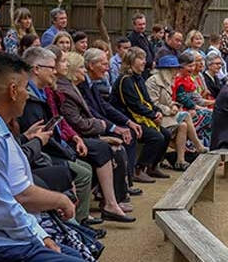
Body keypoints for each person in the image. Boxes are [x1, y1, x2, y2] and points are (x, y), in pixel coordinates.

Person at [0, 51, 86, 262]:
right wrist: (42, 238)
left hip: (8, 239)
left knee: (78, 253)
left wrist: (41, 236)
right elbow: (3, 208)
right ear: (13, 91)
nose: (27, 95)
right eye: (25, 88)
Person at [50, 49, 135, 223]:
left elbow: (97, 110)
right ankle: (108, 204)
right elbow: (74, 122)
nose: (84, 71)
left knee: (116, 147)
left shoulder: (74, 87)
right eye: (81, 67)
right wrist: (102, 126)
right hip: (71, 139)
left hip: (78, 136)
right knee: (104, 150)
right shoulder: (65, 90)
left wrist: (116, 125)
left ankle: (114, 200)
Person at [17, 47, 95, 226]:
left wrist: (73, 140)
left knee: (84, 165)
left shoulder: (44, 92)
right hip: (40, 157)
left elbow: (58, 123)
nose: (55, 72)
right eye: (51, 68)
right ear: (36, 69)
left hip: (48, 150)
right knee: (79, 173)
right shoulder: (28, 99)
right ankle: (76, 224)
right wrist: (66, 153)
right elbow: (40, 139)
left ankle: (78, 222)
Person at [79, 48, 147, 189]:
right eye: (104, 64)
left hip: (100, 124)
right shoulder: (81, 85)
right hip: (90, 128)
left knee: (130, 131)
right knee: (125, 137)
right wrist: (115, 127)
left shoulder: (91, 83)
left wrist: (127, 122)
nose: (108, 68)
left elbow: (105, 106)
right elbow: (91, 112)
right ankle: (122, 186)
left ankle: (125, 182)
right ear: (91, 65)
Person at [110, 46, 172, 180]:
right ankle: (138, 169)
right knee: (156, 137)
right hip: (127, 118)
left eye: (144, 58)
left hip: (141, 117)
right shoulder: (125, 80)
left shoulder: (139, 78)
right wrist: (153, 115)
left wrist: (157, 111)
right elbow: (134, 105)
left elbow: (147, 101)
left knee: (166, 134)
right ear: (131, 60)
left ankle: (152, 166)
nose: (144, 62)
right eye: (140, 58)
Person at [146, 55, 208, 171]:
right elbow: (152, 103)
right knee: (187, 115)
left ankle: (180, 160)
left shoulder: (168, 80)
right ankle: (198, 145)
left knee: (183, 125)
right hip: (157, 117)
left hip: (167, 115)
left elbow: (169, 101)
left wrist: (174, 105)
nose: (177, 71)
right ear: (167, 69)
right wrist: (170, 109)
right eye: (175, 69)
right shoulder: (153, 81)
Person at [172, 52, 215, 151]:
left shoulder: (188, 78)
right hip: (182, 108)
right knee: (208, 115)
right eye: (189, 66)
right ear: (181, 67)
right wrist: (203, 107)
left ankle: (207, 145)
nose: (192, 68)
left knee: (211, 115)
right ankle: (192, 145)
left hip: (192, 108)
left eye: (193, 65)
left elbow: (196, 97)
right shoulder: (178, 80)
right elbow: (185, 101)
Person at [127, 13, 155, 79]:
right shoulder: (131, 38)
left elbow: (150, 50)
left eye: (144, 24)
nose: (142, 26)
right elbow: (135, 56)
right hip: (140, 71)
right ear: (134, 25)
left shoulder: (144, 36)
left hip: (148, 70)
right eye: (140, 25)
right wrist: (150, 64)